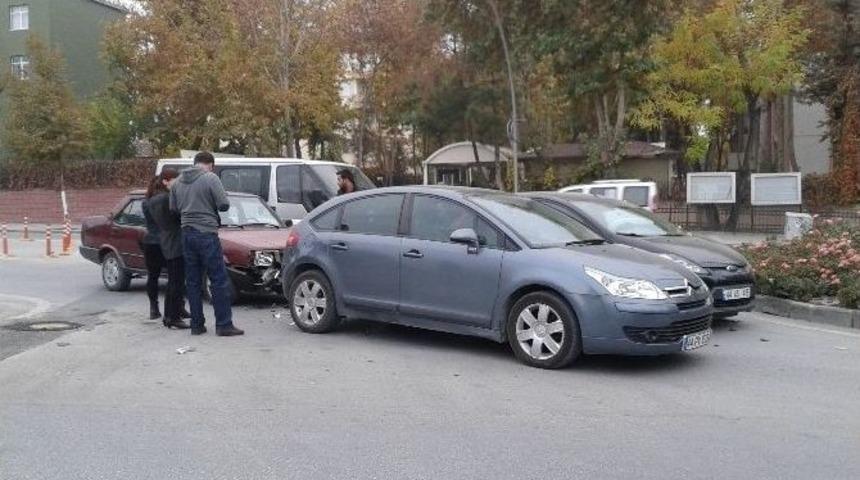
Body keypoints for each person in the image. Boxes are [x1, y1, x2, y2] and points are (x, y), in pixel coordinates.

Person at [169, 152, 244, 337]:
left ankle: (197, 325)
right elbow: (224, 204)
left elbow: (173, 208)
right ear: (210, 165)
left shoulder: (177, 182)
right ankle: (224, 325)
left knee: (193, 281)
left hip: (186, 233)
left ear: (194, 163)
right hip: (206, 234)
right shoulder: (211, 178)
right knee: (218, 279)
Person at [147, 168, 190, 330]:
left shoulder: (155, 198)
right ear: (166, 181)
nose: (178, 183)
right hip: (174, 242)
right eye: (175, 180)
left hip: (168, 241)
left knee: (174, 281)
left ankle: (170, 315)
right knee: (176, 282)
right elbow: (175, 217)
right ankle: (172, 317)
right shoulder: (165, 198)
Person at [141, 176, 167, 320]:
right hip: (165, 242)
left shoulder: (145, 203)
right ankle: (177, 306)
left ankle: (154, 307)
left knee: (153, 276)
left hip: (150, 242)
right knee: (174, 276)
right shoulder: (165, 201)